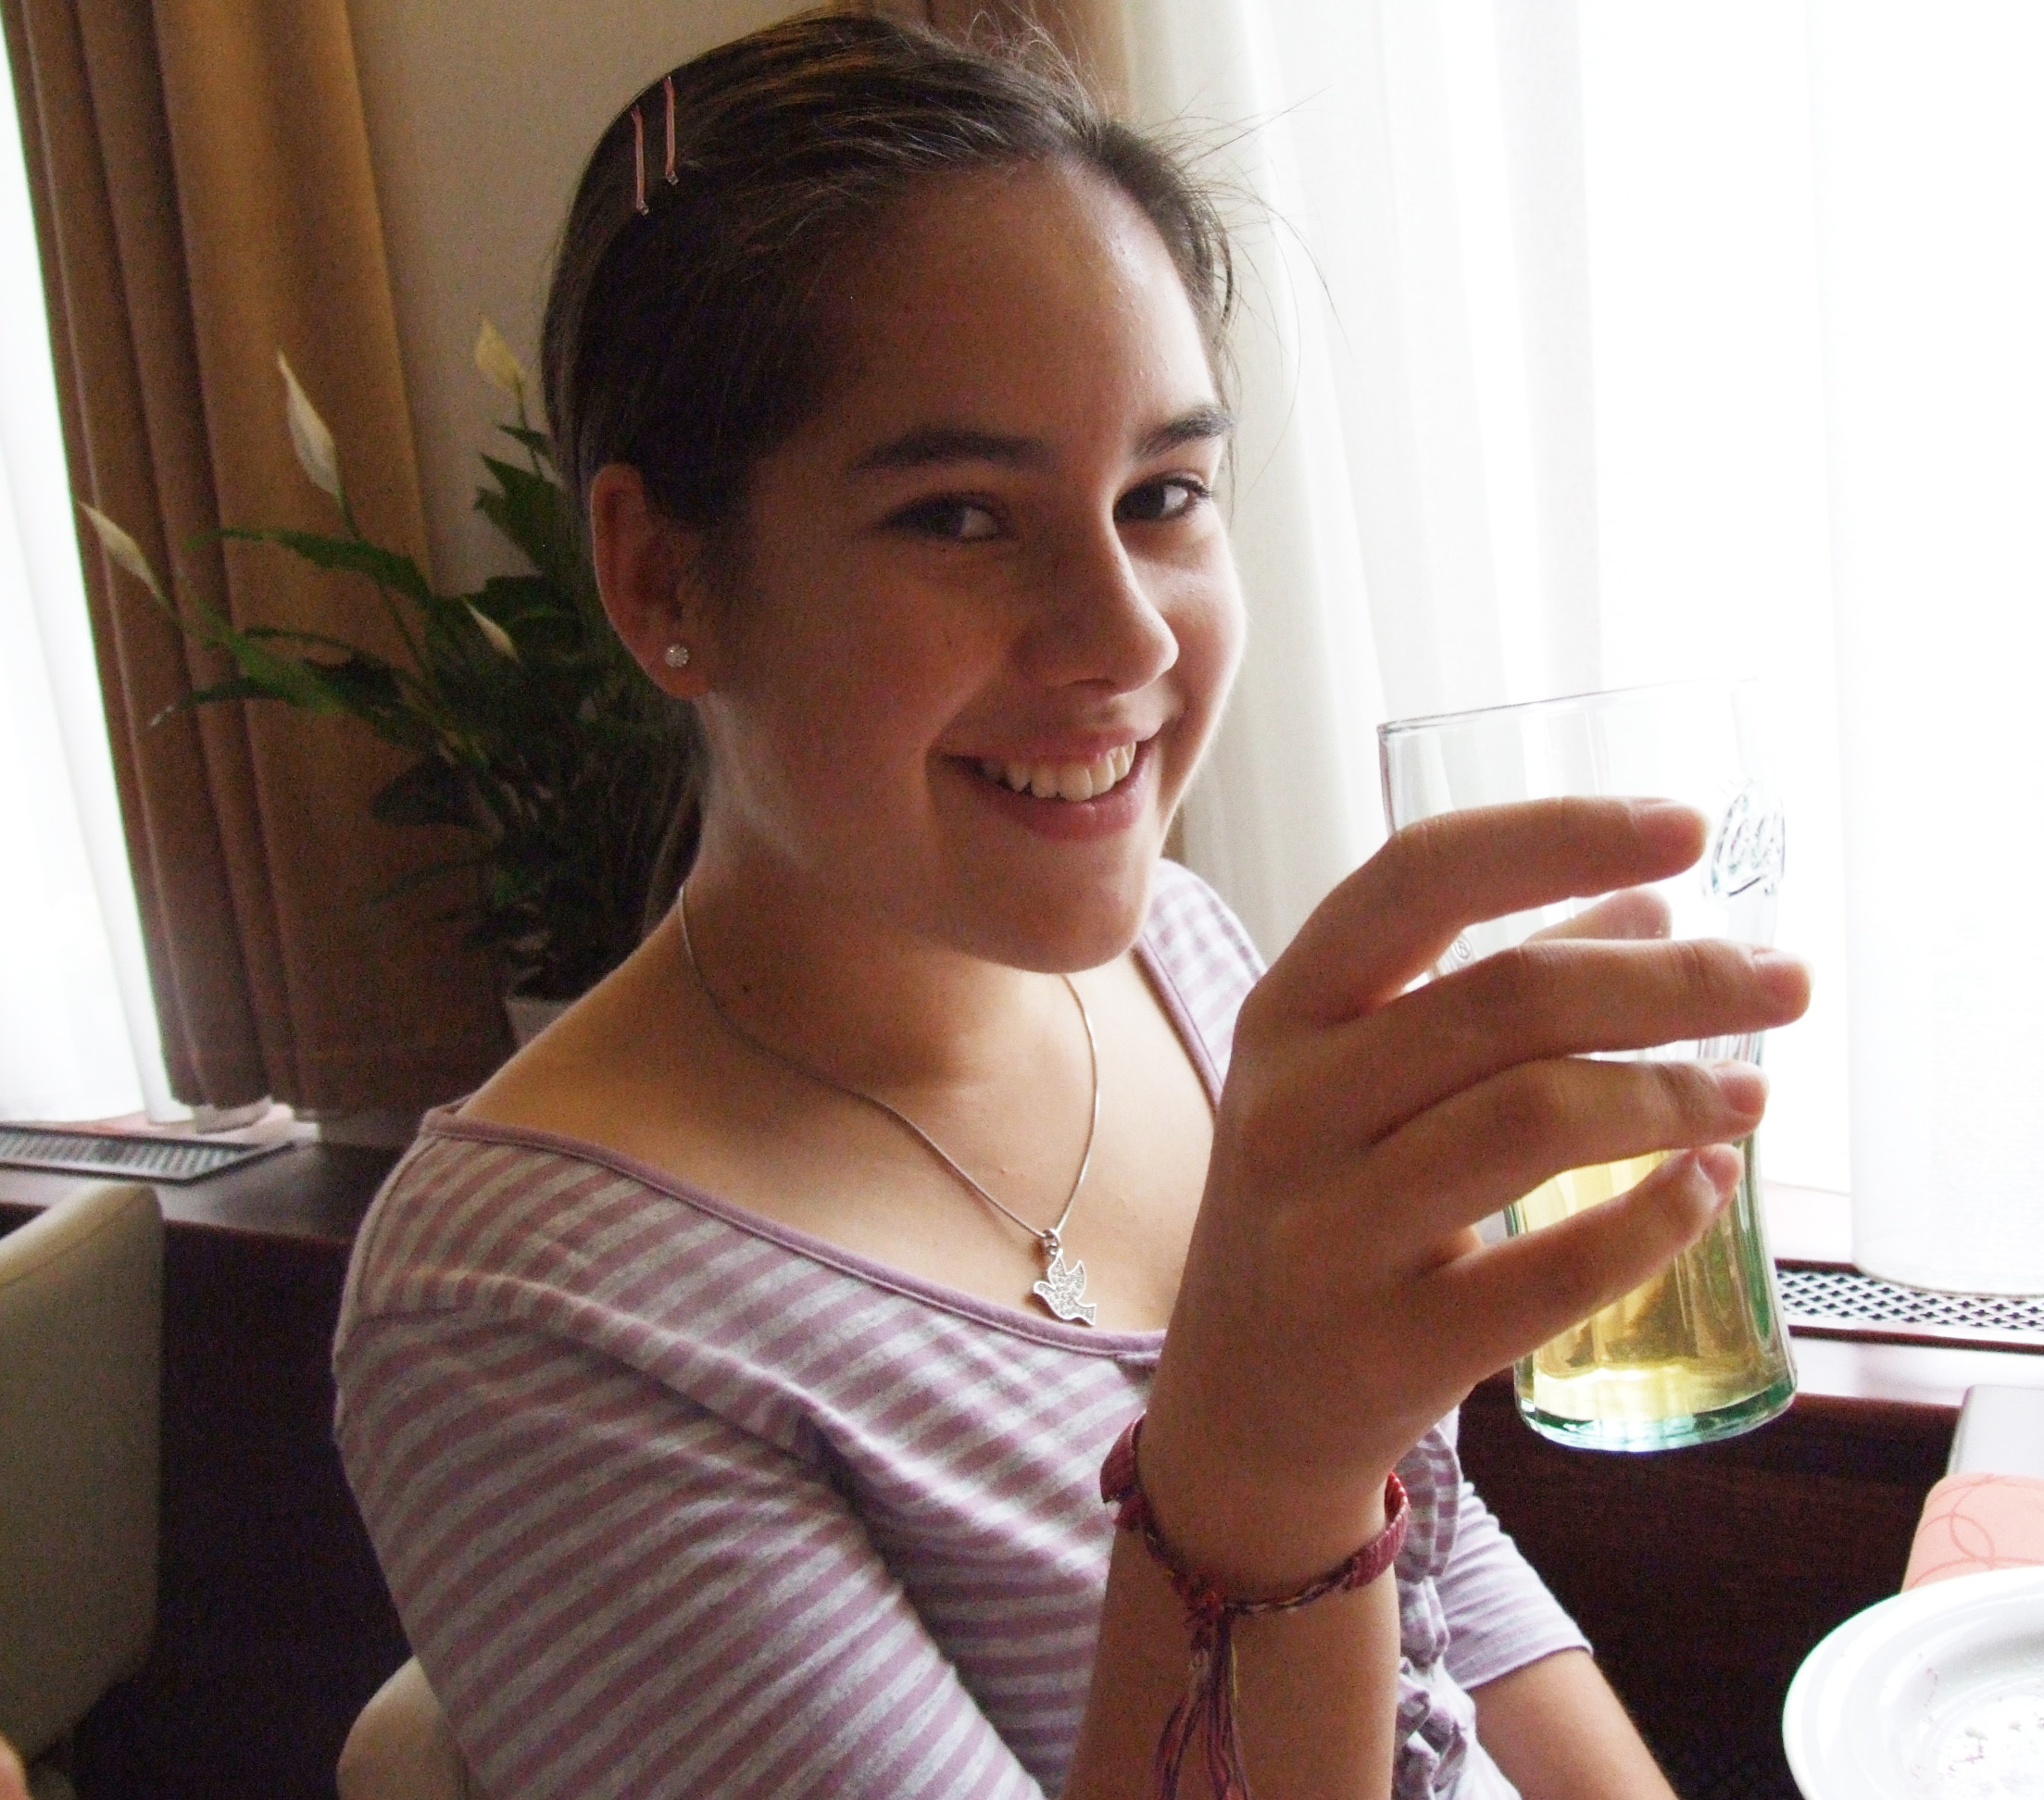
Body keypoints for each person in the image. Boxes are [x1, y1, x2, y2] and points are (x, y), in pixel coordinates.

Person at [332, 12, 1810, 1799]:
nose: (1124, 638)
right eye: (959, 516)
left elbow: (1448, 1579)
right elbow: (1317, 1490)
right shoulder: (526, 1313)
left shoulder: (1183, 955)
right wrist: (1254, 1477)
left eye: (1163, 495)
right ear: (664, 579)